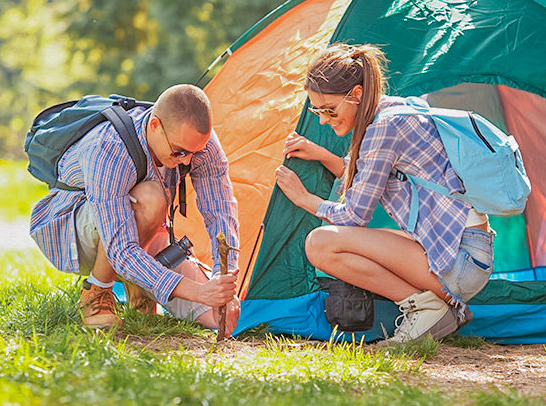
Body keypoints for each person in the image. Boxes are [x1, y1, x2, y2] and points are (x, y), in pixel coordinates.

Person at [274, 43, 495, 343]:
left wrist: (305, 200)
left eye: (329, 109)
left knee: (320, 244)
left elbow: (355, 215)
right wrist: (324, 156)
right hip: (466, 251)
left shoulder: (383, 129)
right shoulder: (392, 110)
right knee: (351, 240)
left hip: (461, 261)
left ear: (355, 95)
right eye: (317, 110)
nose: (323, 119)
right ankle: (439, 305)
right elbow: (370, 177)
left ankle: (425, 308)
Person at [30, 84, 240, 335]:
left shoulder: (197, 144)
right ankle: (96, 292)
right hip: (79, 231)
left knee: (223, 319)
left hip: (141, 234)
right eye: (180, 152)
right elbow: (121, 250)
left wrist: (222, 277)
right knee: (151, 198)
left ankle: (139, 286)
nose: (187, 161)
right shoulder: (107, 147)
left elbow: (221, 213)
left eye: (193, 153)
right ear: (155, 126)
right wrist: (198, 292)